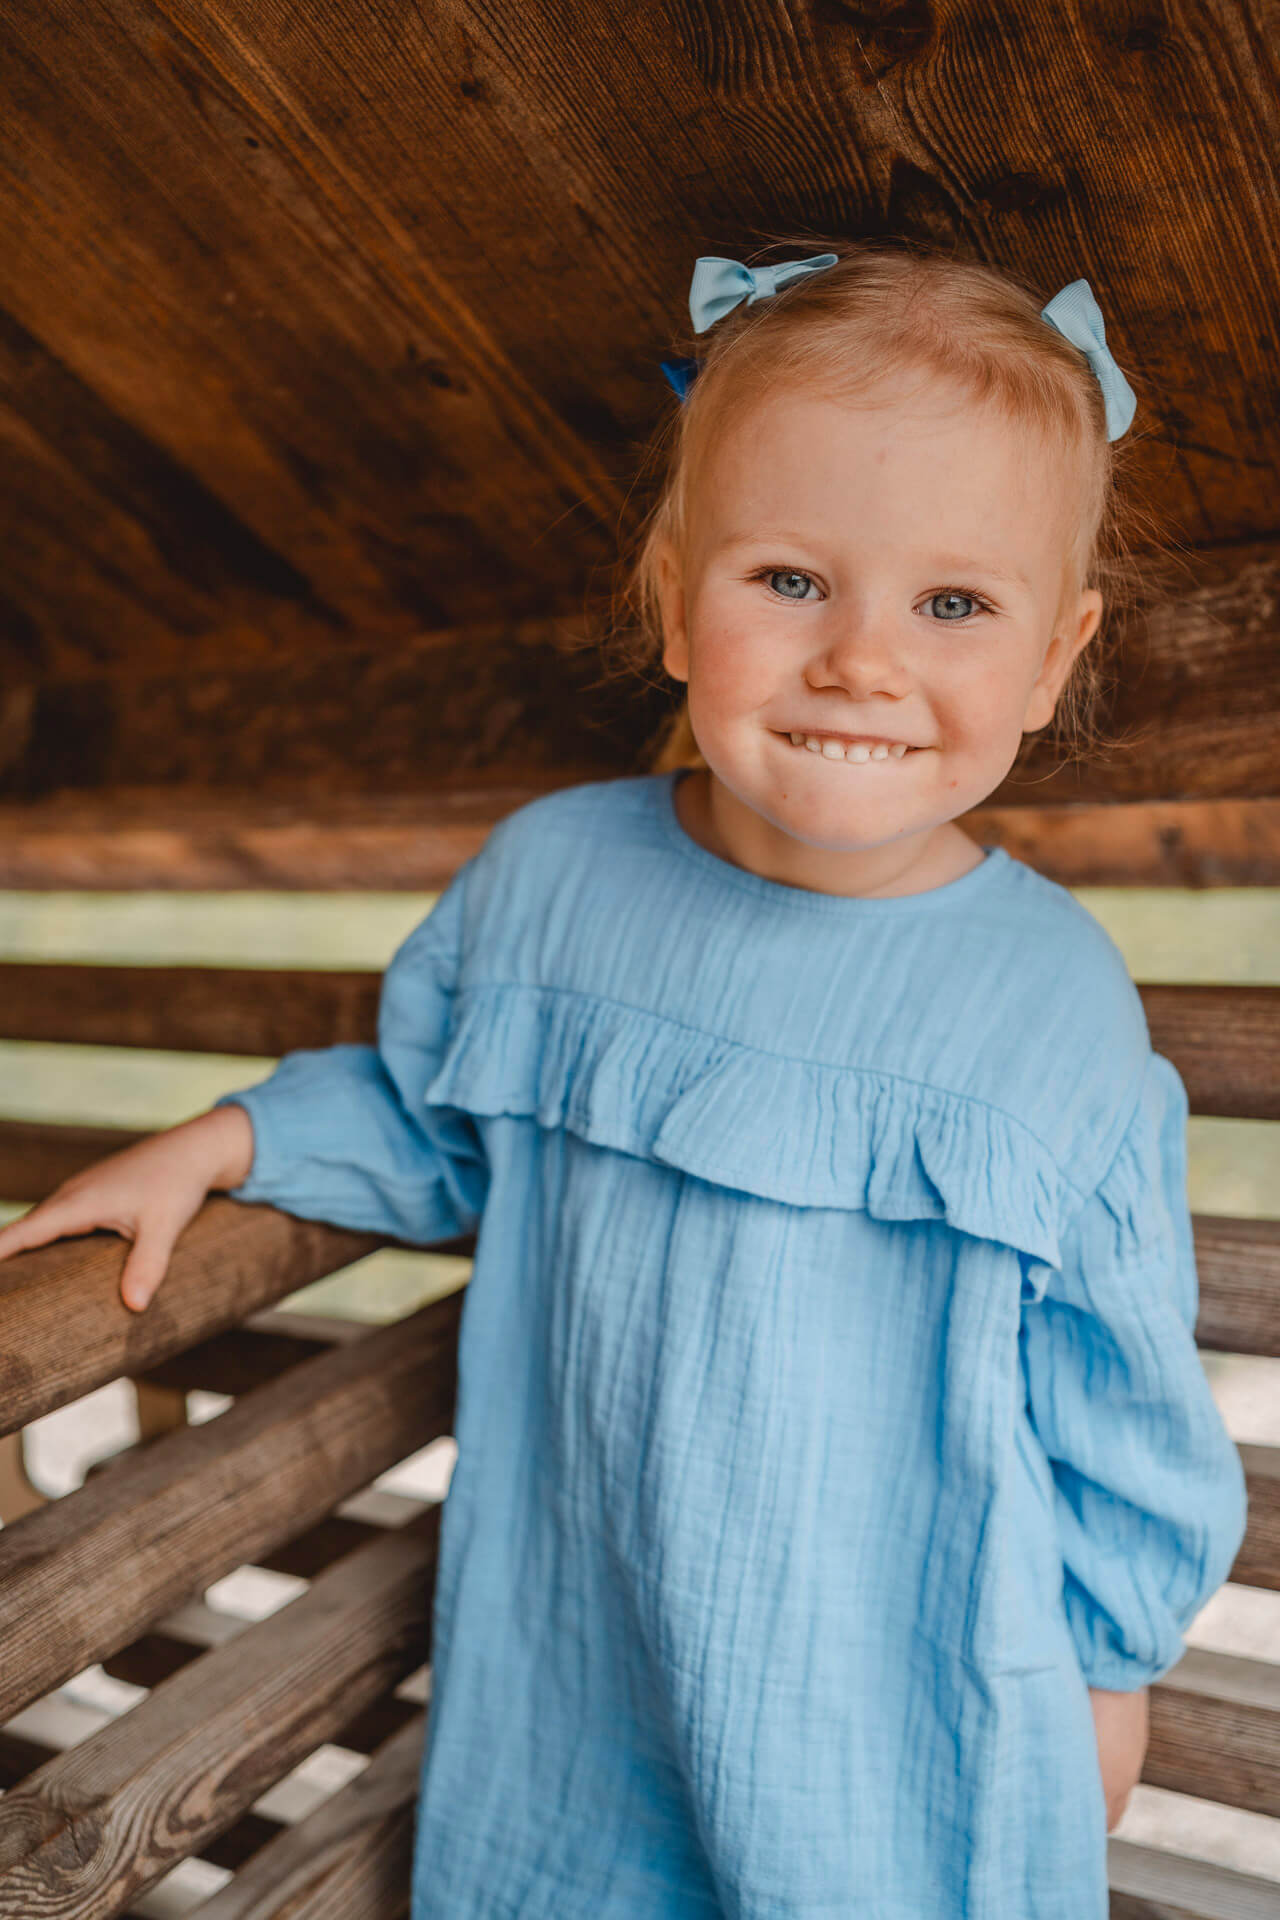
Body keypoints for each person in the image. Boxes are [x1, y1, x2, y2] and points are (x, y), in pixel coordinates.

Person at [0, 240, 1247, 1918]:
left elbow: (1123, 1405)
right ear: (674, 597)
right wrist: (231, 1138)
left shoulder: (1048, 1006)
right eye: (790, 580)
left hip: (897, 1707)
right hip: (584, 1666)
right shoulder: (551, 884)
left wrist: (1106, 1668)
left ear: (1051, 655)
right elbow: (436, 1114)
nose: (863, 660)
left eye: (954, 604)